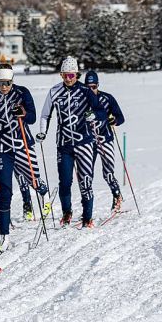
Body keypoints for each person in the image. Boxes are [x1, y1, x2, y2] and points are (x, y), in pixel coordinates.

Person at [0, 63, 48, 252]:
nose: (4, 87)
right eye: (0, 83)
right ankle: (4, 235)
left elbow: (33, 117)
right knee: (4, 192)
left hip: (22, 143)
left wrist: (23, 113)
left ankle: (44, 193)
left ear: (12, 81)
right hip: (2, 148)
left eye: (7, 83)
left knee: (33, 178)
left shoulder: (22, 93)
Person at [37, 58, 107, 228]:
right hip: (64, 145)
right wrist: (42, 132)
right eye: (64, 75)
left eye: (71, 75)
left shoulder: (85, 91)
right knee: (65, 181)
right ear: (61, 75)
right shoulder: (54, 91)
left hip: (84, 143)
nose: (68, 79)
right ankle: (67, 212)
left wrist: (94, 116)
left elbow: (101, 111)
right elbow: (46, 114)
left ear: (77, 74)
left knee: (85, 181)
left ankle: (87, 216)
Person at [0, 75, 35, 222]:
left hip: (19, 144)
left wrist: (23, 113)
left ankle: (27, 205)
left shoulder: (15, 98)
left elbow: (30, 117)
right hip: (1, 146)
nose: (1, 88)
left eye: (4, 84)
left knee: (21, 177)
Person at [84, 71, 126, 212]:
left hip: (105, 139)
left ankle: (117, 195)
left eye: (94, 86)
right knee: (87, 174)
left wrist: (114, 120)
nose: (91, 89)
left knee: (107, 173)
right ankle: (87, 209)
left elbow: (120, 117)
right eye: (88, 86)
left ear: (98, 85)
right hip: (88, 142)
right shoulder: (81, 100)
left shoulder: (107, 98)